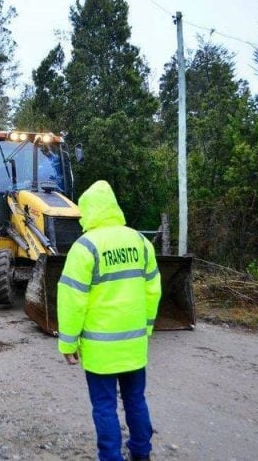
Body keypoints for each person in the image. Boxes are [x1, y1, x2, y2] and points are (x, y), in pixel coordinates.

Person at [57, 180, 161, 461]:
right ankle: (141, 452)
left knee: (104, 407)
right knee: (135, 400)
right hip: (135, 346)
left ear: (88, 210)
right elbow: (153, 290)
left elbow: (72, 299)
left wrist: (68, 342)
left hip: (100, 350)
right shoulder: (140, 241)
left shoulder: (85, 247)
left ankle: (111, 457)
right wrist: (147, 327)